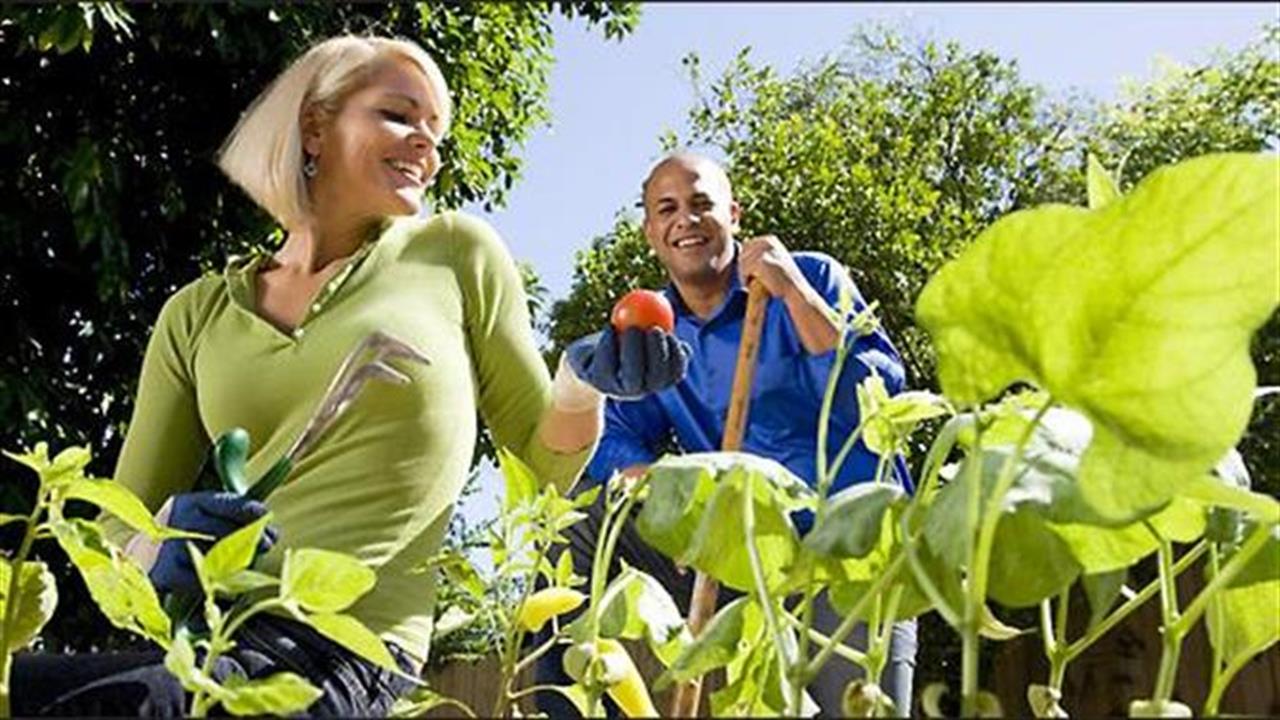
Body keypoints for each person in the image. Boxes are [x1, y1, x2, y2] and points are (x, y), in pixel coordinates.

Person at [13, 35, 684, 716]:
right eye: (400, 114)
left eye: (436, 130)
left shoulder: (453, 255)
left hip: (344, 652)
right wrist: (156, 536)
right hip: (211, 645)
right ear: (314, 126)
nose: (427, 143)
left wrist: (580, 383)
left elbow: (542, 469)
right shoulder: (196, 314)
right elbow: (108, 538)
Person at [539, 152, 918, 717]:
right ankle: (579, 703)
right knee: (580, 519)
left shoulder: (809, 276)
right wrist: (668, 497)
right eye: (667, 209)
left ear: (734, 215)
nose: (685, 219)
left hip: (848, 548)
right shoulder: (653, 327)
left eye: (701, 204)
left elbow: (876, 394)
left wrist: (795, 295)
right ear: (650, 232)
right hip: (739, 548)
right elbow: (612, 442)